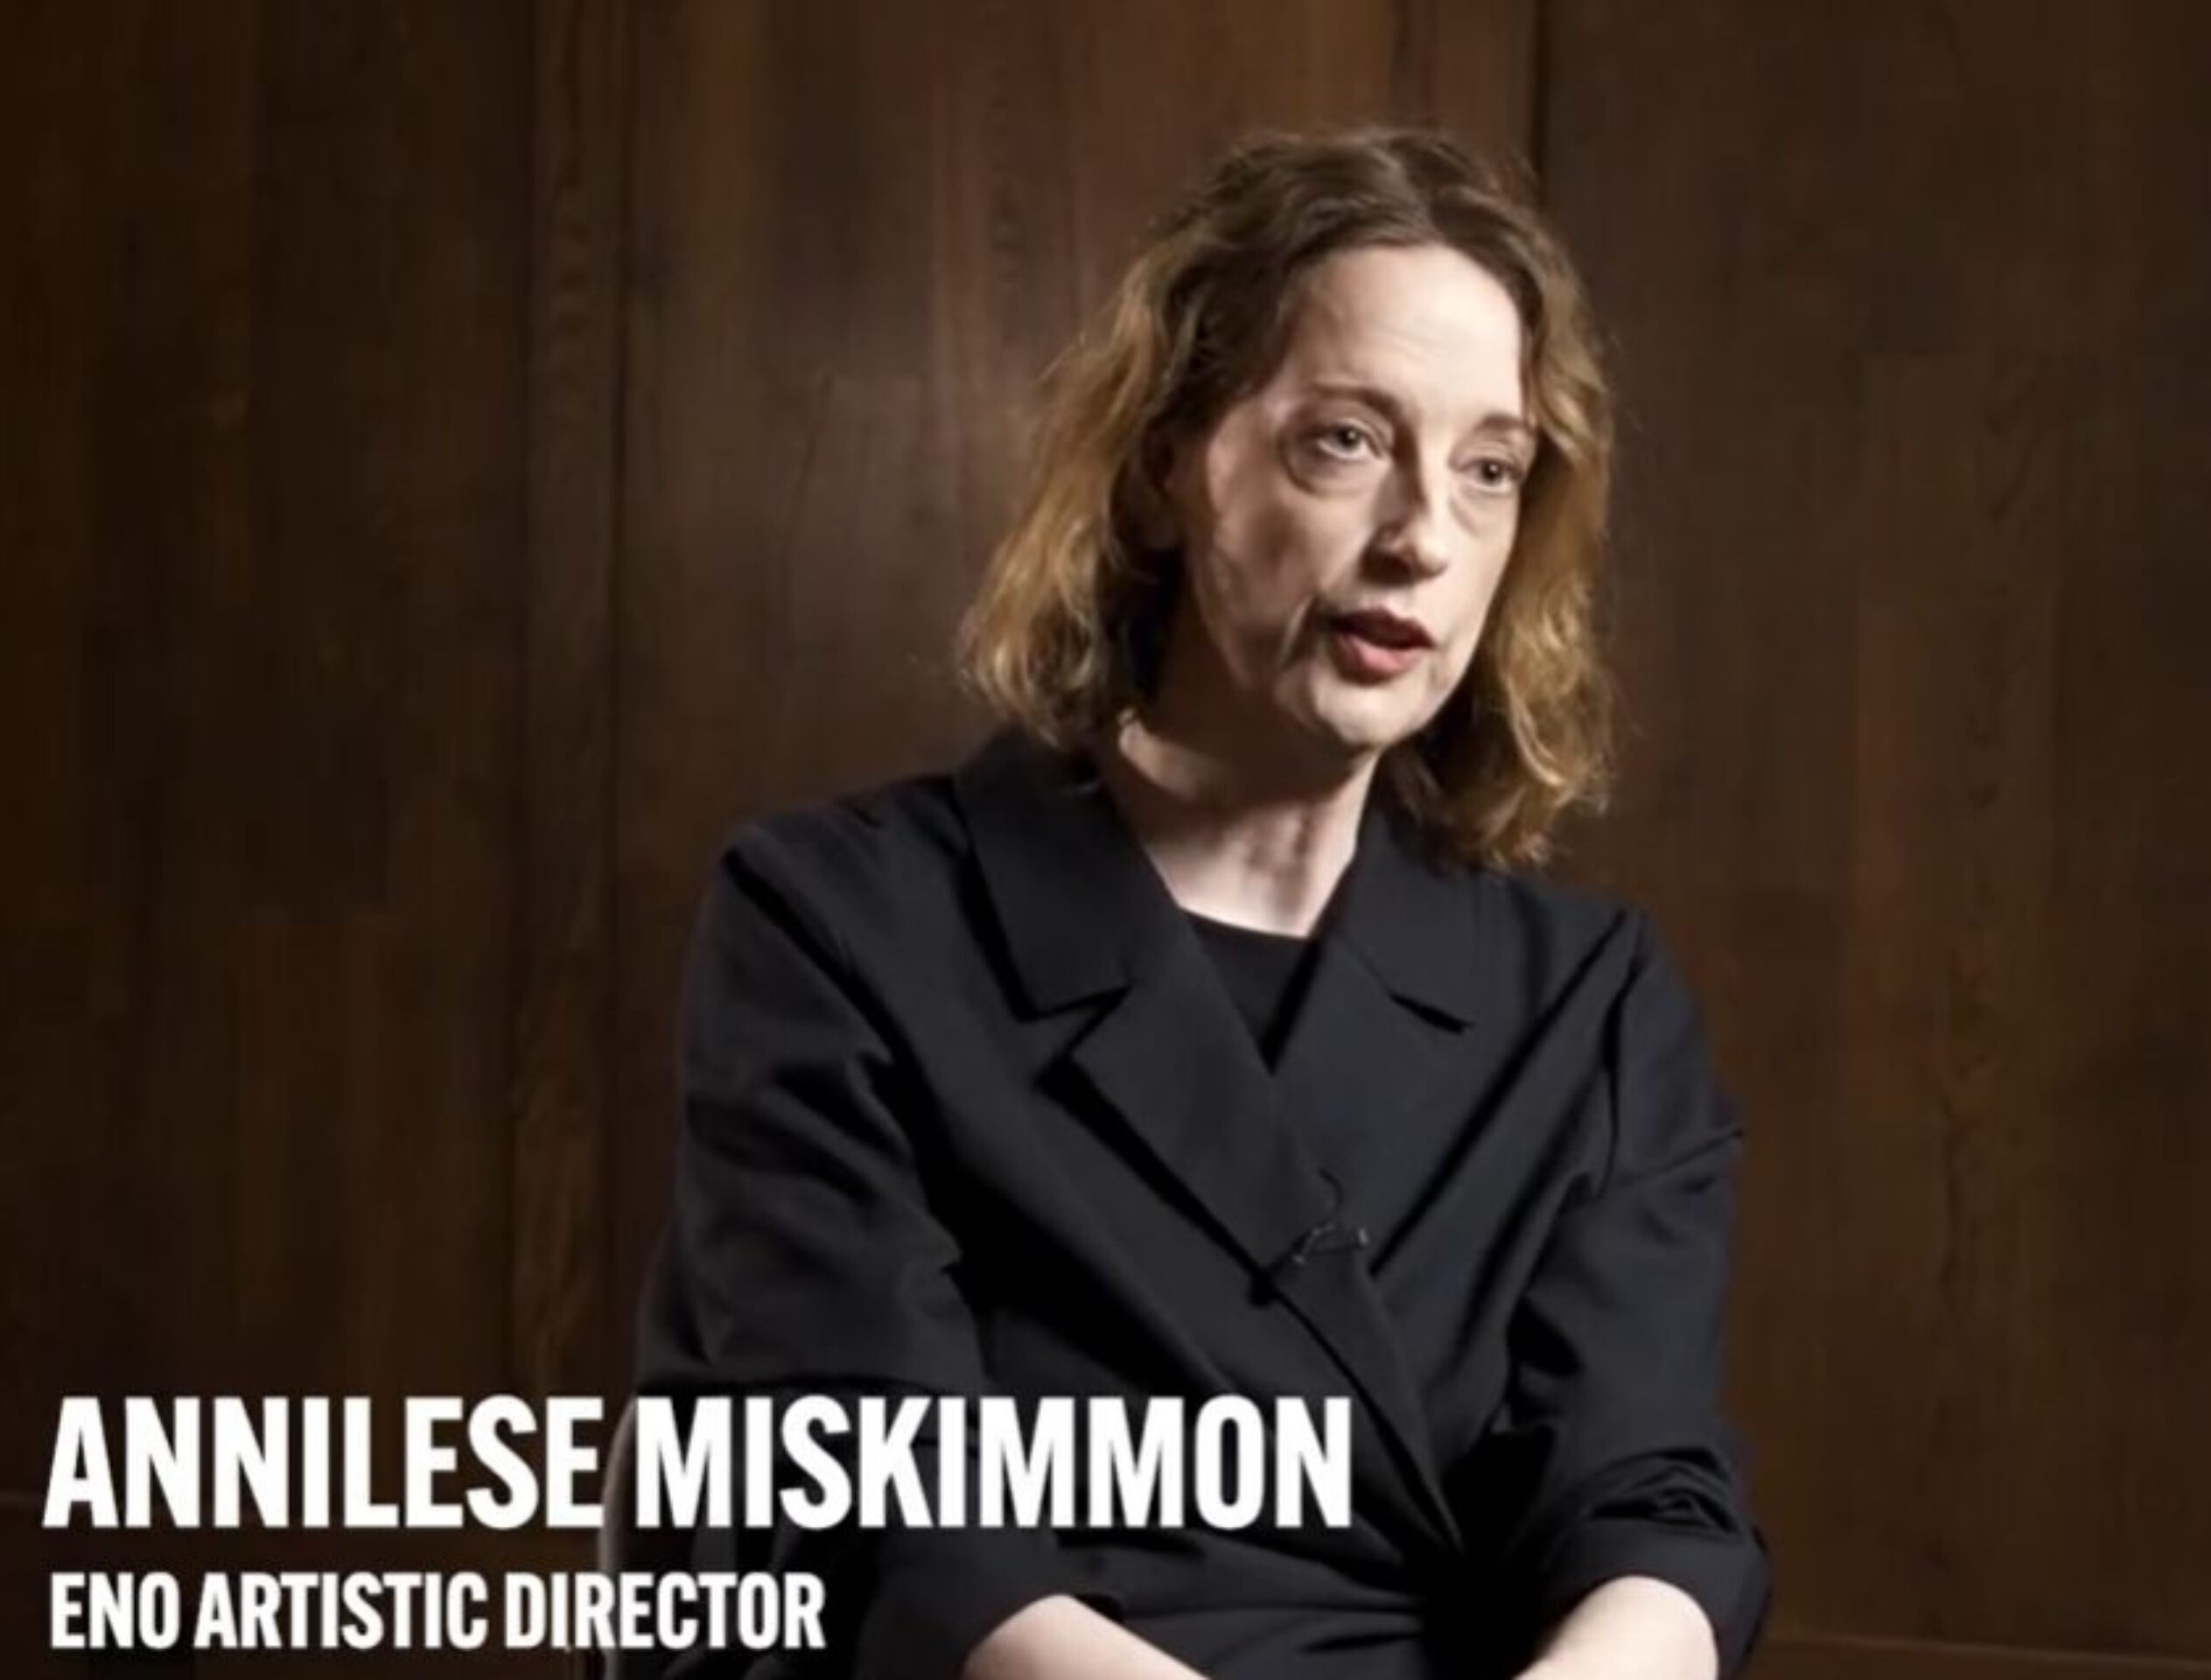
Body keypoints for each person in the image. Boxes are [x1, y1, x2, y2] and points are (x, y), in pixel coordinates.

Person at [633, 125, 1772, 1680]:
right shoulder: (836, 922)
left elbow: (1649, 1503)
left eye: (1490, 469)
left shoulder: (1592, 999)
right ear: (1168, 463)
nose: (1426, 537)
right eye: (1347, 442)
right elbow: (876, 1526)